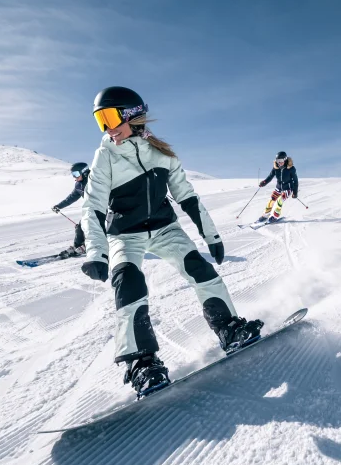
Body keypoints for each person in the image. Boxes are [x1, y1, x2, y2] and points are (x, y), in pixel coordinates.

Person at [80, 86, 263, 397]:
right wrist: (96, 251)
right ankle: (142, 363)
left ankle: (228, 328)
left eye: (110, 117)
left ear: (130, 115)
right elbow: (92, 205)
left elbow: (187, 196)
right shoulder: (105, 157)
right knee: (129, 280)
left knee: (200, 269)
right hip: (126, 233)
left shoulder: (162, 153)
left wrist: (211, 235)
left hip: (165, 228)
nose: (108, 128)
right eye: (101, 121)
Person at [52, 162, 90, 258]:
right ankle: (78, 246)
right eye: (73, 175)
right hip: (90, 210)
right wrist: (59, 206)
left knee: (93, 227)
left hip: (103, 209)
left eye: (76, 174)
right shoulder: (78, 185)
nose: (75, 177)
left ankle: (89, 245)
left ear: (84, 172)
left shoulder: (95, 181)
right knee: (79, 227)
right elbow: (71, 198)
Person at [258, 151, 299, 222]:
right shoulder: (275, 168)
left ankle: (274, 216)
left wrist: (295, 192)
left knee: (280, 201)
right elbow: (270, 177)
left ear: (285, 159)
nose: (279, 163)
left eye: (281, 161)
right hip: (279, 187)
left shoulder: (291, 168)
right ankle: (265, 215)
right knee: (271, 200)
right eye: (277, 161)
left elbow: (295, 181)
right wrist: (264, 182)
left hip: (288, 188)